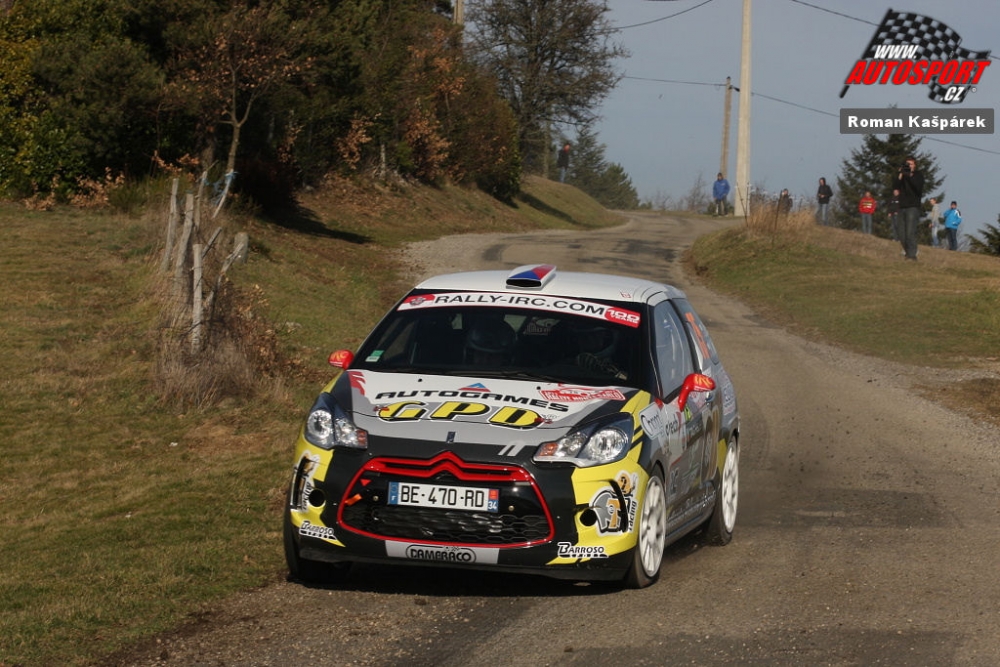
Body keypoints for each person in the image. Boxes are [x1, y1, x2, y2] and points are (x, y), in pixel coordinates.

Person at [896, 156, 925, 260]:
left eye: (911, 164)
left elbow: (917, 187)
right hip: (902, 206)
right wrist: (900, 174)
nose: (909, 166)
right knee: (901, 234)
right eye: (907, 164)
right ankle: (908, 253)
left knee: (910, 233)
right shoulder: (903, 175)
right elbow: (895, 187)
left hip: (913, 207)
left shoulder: (918, 175)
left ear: (915, 165)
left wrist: (908, 175)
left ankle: (912, 255)